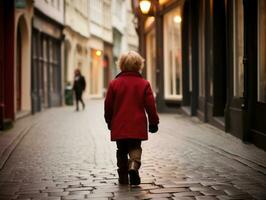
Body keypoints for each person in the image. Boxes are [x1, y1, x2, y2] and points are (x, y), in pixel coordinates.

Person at [104, 51, 159, 185]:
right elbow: (151, 105)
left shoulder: (113, 84)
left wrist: (109, 120)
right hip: (137, 124)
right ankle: (133, 165)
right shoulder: (144, 84)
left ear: (121, 65)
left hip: (119, 125)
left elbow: (108, 105)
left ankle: (123, 176)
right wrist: (153, 122)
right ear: (139, 65)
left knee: (121, 150)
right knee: (135, 147)